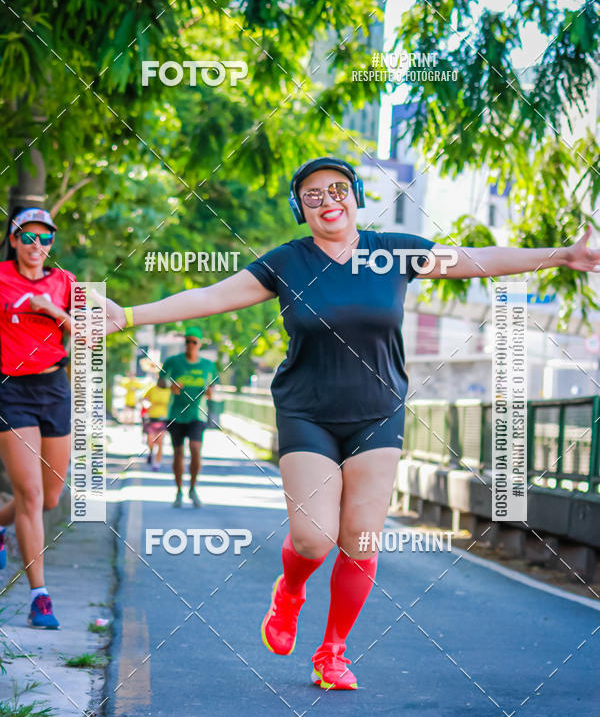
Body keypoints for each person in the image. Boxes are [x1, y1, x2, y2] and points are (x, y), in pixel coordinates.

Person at [102, 156, 600, 689]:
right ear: (301, 208)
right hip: (306, 411)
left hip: (378, 411)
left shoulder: (393, 253)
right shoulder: (287, 263)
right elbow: (211, 297)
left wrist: (563, 255)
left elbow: (475, 260)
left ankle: (333, 652)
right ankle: (290, 591)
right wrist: (128, 316)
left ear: (356, 196)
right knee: (314, 538)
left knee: (362, 538)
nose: (327, 201)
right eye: (312, 195)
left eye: (337, 189)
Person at [0, 207, 76, 629]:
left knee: (49, 499)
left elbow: (87, 332)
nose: (37, 246)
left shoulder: (64, 282)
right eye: (28, 238)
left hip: (54, 387)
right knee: (29, 495)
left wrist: (52, 310)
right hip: (11, 390)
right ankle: (39, 596)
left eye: (44, 239)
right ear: (14, 241)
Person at [160, 327, 217, 507]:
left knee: (195, 448)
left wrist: (210, 392)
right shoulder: (173, 361)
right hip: (176, 414)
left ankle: (192, 488)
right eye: (187, 341)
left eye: (194, 342)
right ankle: (178, 491)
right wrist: (170, 384)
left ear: (200, 344)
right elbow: (160, 382)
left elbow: (212, 389)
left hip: (197, 414)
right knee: (178, 453)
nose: (190, 345)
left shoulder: (208, 365)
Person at [141, 381, 171, 469]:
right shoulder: (152, 389)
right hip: (152, 419)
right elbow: (144, 400)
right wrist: (147, 406)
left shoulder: (170, 391)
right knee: (151, 441)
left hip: (163, 420)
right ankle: (151, 452)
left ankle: (157, 463)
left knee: (160, 442)